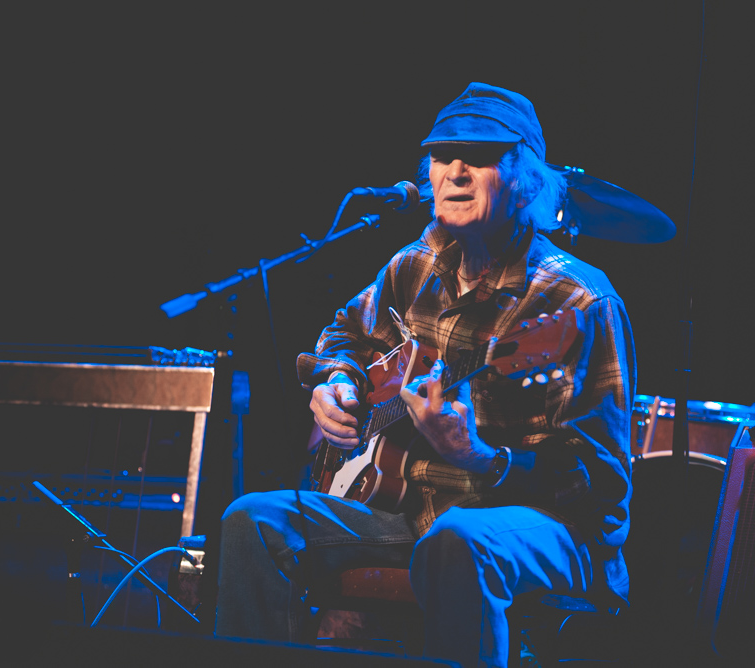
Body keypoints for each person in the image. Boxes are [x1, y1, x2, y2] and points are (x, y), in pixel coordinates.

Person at [215, 82, 636, 667]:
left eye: (482, 155)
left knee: (459, 540)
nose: (456, 170)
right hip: (409, 508)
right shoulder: (415, 264)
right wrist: (335, 382)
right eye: (443, 155)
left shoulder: (578, 303)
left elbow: (603, 487)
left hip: (542, 527)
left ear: (528, 180)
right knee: (253, 521)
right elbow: (345, 334)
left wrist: (484, 458)